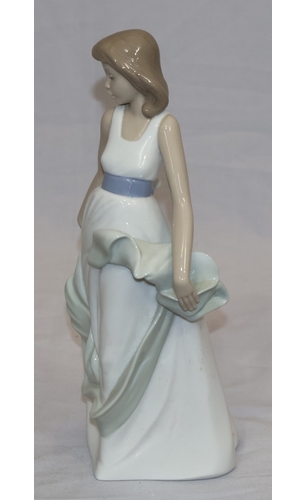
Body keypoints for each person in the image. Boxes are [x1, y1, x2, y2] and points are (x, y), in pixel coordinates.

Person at [66, 29, 237, 481]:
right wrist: (84, 213)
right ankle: (113, 439)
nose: (106, 85)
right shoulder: (110, 120)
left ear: (136, 73)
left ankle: (138, 442)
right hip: (101, 231)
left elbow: (181, 201)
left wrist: (180, 269)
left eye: (112, 75)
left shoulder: (165, 127)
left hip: (137, 236)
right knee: (106, 329)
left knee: (131, 334)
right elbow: (100, 172)